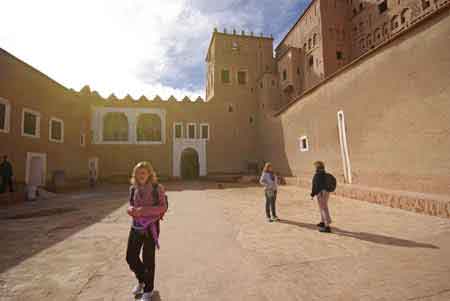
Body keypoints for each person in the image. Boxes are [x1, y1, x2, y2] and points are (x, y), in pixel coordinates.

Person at [126, 162, 168, 301]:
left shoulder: (157, 188)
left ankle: (148, 290)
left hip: (151, 228)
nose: (141, 175)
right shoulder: (133, 189)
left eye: (143, 173)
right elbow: (131, 204)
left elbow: (163, 207)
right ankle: (142, 280)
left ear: (149, 174)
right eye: (138, 173)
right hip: (136, 226)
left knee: (148, 259)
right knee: (130, 257)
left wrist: (144, 211)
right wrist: (131, 210)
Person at [310, 161, 332, 233]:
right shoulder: (325, 174)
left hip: (321, 193)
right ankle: (323, 222)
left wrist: (312, 194)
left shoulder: (317, 175)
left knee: (323, 208)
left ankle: (327, 226)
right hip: (326, 192)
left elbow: (315, 185)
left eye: (315, 167)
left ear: (317, 167)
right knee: (322, 207)